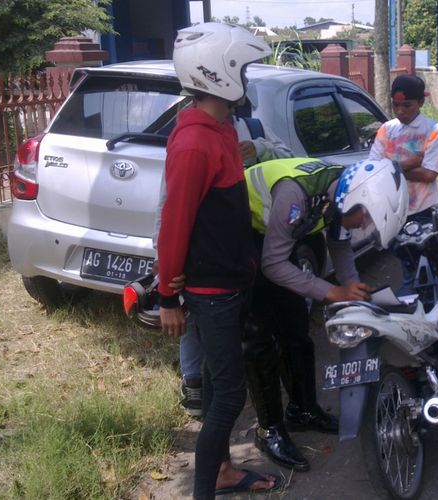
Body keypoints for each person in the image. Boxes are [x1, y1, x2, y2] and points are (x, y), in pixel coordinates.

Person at [157, 22, 279, 498]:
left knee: (214, 381)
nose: (246, 78)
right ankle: (204, 490)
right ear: (220, 71)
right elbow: (175, 222)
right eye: (243, 68)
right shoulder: (193, 141)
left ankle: (223, 469)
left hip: (229, 279)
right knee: (229, 394)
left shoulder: (220, 128)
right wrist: (168, 294)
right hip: (211, 292)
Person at [244, 157, 408, 471]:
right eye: (364, 219)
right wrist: (332, 291)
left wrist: (353, 287)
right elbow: (272, 265)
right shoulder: (295, 195)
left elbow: (339, 243)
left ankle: (303, 410)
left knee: (296, 330)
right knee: (260, 338)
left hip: (279, 236)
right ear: (355, 202)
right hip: (245, 236)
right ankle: (269, 430)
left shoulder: (342, 192)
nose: (363, 226)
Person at [168, 98, 294, 418]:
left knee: (237, 341)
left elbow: (289, 158)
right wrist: (167, 272)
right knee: (203, 334)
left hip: (244, 252)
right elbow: (172, 211)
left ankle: (226, 402)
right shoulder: (196, 142)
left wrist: (259, 148)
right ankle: (193, 381)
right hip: (210, 265)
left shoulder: (250, 128)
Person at [368, 74, 438, 295]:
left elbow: (429, 174)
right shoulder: (386, 129)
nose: (400, 111)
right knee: (408, 266)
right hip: (393, 212)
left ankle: (433, 319)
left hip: (423, 210)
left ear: (421, 102)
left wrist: (389, 167)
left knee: (429, 270)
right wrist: (412, 162)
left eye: (407, 105)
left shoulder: (434, 130)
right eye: (396, 105)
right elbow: (372, 170)